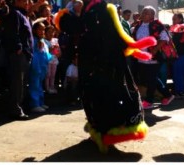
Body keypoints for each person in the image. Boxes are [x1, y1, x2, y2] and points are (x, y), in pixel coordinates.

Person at [57, 0, 154, 152]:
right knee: (96, 97)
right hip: (97, 63)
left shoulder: (98, 9)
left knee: (101, 97)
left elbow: (86, 29)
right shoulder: (94, 8)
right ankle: (100, 132)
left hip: (99, 64)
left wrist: (63, 18)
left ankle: (104, 134)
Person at [131, 6, 174, 109]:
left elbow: (165, 38)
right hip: (141, 57)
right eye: (143, 12)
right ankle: (168, 95)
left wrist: (155, 49)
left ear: (152, 15)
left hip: (153, 57)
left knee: (151, 79)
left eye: (147, 12)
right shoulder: (138, 25)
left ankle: (149, 100)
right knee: (150, 78)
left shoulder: (157, 25)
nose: (144, 13)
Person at [2, 0, 33, 120]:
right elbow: (13, 32)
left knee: (22, 83)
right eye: (23, 0)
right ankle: (15, 110)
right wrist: (18, 47)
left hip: (26, 54)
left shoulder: (24, 14)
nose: (26, 3)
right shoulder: (14, 13)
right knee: (17, 83)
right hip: (19, 54)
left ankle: (19, 107)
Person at [28, 20, 51, 114]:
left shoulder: (42, 41)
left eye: (43, 29)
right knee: (34, 85)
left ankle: (40, 102)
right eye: (40, 29)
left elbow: (45, 53)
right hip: (36, 66)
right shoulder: (33, 40)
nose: (42, 31)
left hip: (42, 67)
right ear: (34, 30)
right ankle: (35, 104)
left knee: (40, 85)